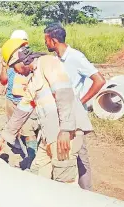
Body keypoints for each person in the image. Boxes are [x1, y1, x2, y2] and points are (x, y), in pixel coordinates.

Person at [0, 38, 93, 185]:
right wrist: (3, 138)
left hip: (65, 136)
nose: (16, 72)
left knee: (64, 184)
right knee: (37, 176)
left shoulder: (47, 62)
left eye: (14, 68)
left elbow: (64, 93)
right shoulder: (34, 80)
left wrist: (66, 129)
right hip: (49, 137)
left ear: (19, 60)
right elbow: (22, 111)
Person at [44, 23, 105, 190]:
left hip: (74, 117)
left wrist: (80, 101)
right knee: (60, 153)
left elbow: (99, 80)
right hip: (58, 115)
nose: (45, 43)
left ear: (54, 40)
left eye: (46, 40)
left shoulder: (76, 57)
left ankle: (87, 194)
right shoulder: (54, 60)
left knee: (79, 157)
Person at [0, 30, 39, 169]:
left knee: (29, 133)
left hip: (26, 102)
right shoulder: (9, 59)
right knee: (14, 129)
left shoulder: (30, 61)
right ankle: (26, 153)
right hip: (11, 99)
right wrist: (4, 67)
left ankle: (32, 160)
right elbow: (3, 81)